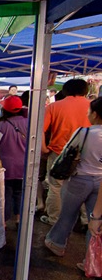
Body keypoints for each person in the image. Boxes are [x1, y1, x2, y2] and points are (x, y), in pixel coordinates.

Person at [44, 96, 102, 260]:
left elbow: (67, 151)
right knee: (95, 220)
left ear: (96, 114)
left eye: (89, 111)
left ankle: (57, 244)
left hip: (79, 180)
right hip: (100, 183)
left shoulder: (84, 132)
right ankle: (92, 260)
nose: (87, 114)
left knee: (68, 214)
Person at [41, 78, 92, 225]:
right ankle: (85, 220)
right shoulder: (93, 107)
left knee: (55, 187)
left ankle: (54, 219)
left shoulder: (54, 107)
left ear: (65, 90)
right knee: (84, 187)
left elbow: (41, 130)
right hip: (87, 154)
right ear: (85, 91)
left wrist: (44, 149)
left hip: (59, 153)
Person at [0, 96, 28, 227]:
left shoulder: (0, 126)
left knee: (6, 194)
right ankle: (19, 218)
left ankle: (4, 221)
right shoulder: (29, 123)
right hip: (24, 166)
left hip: (6, 166)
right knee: (19, 192)